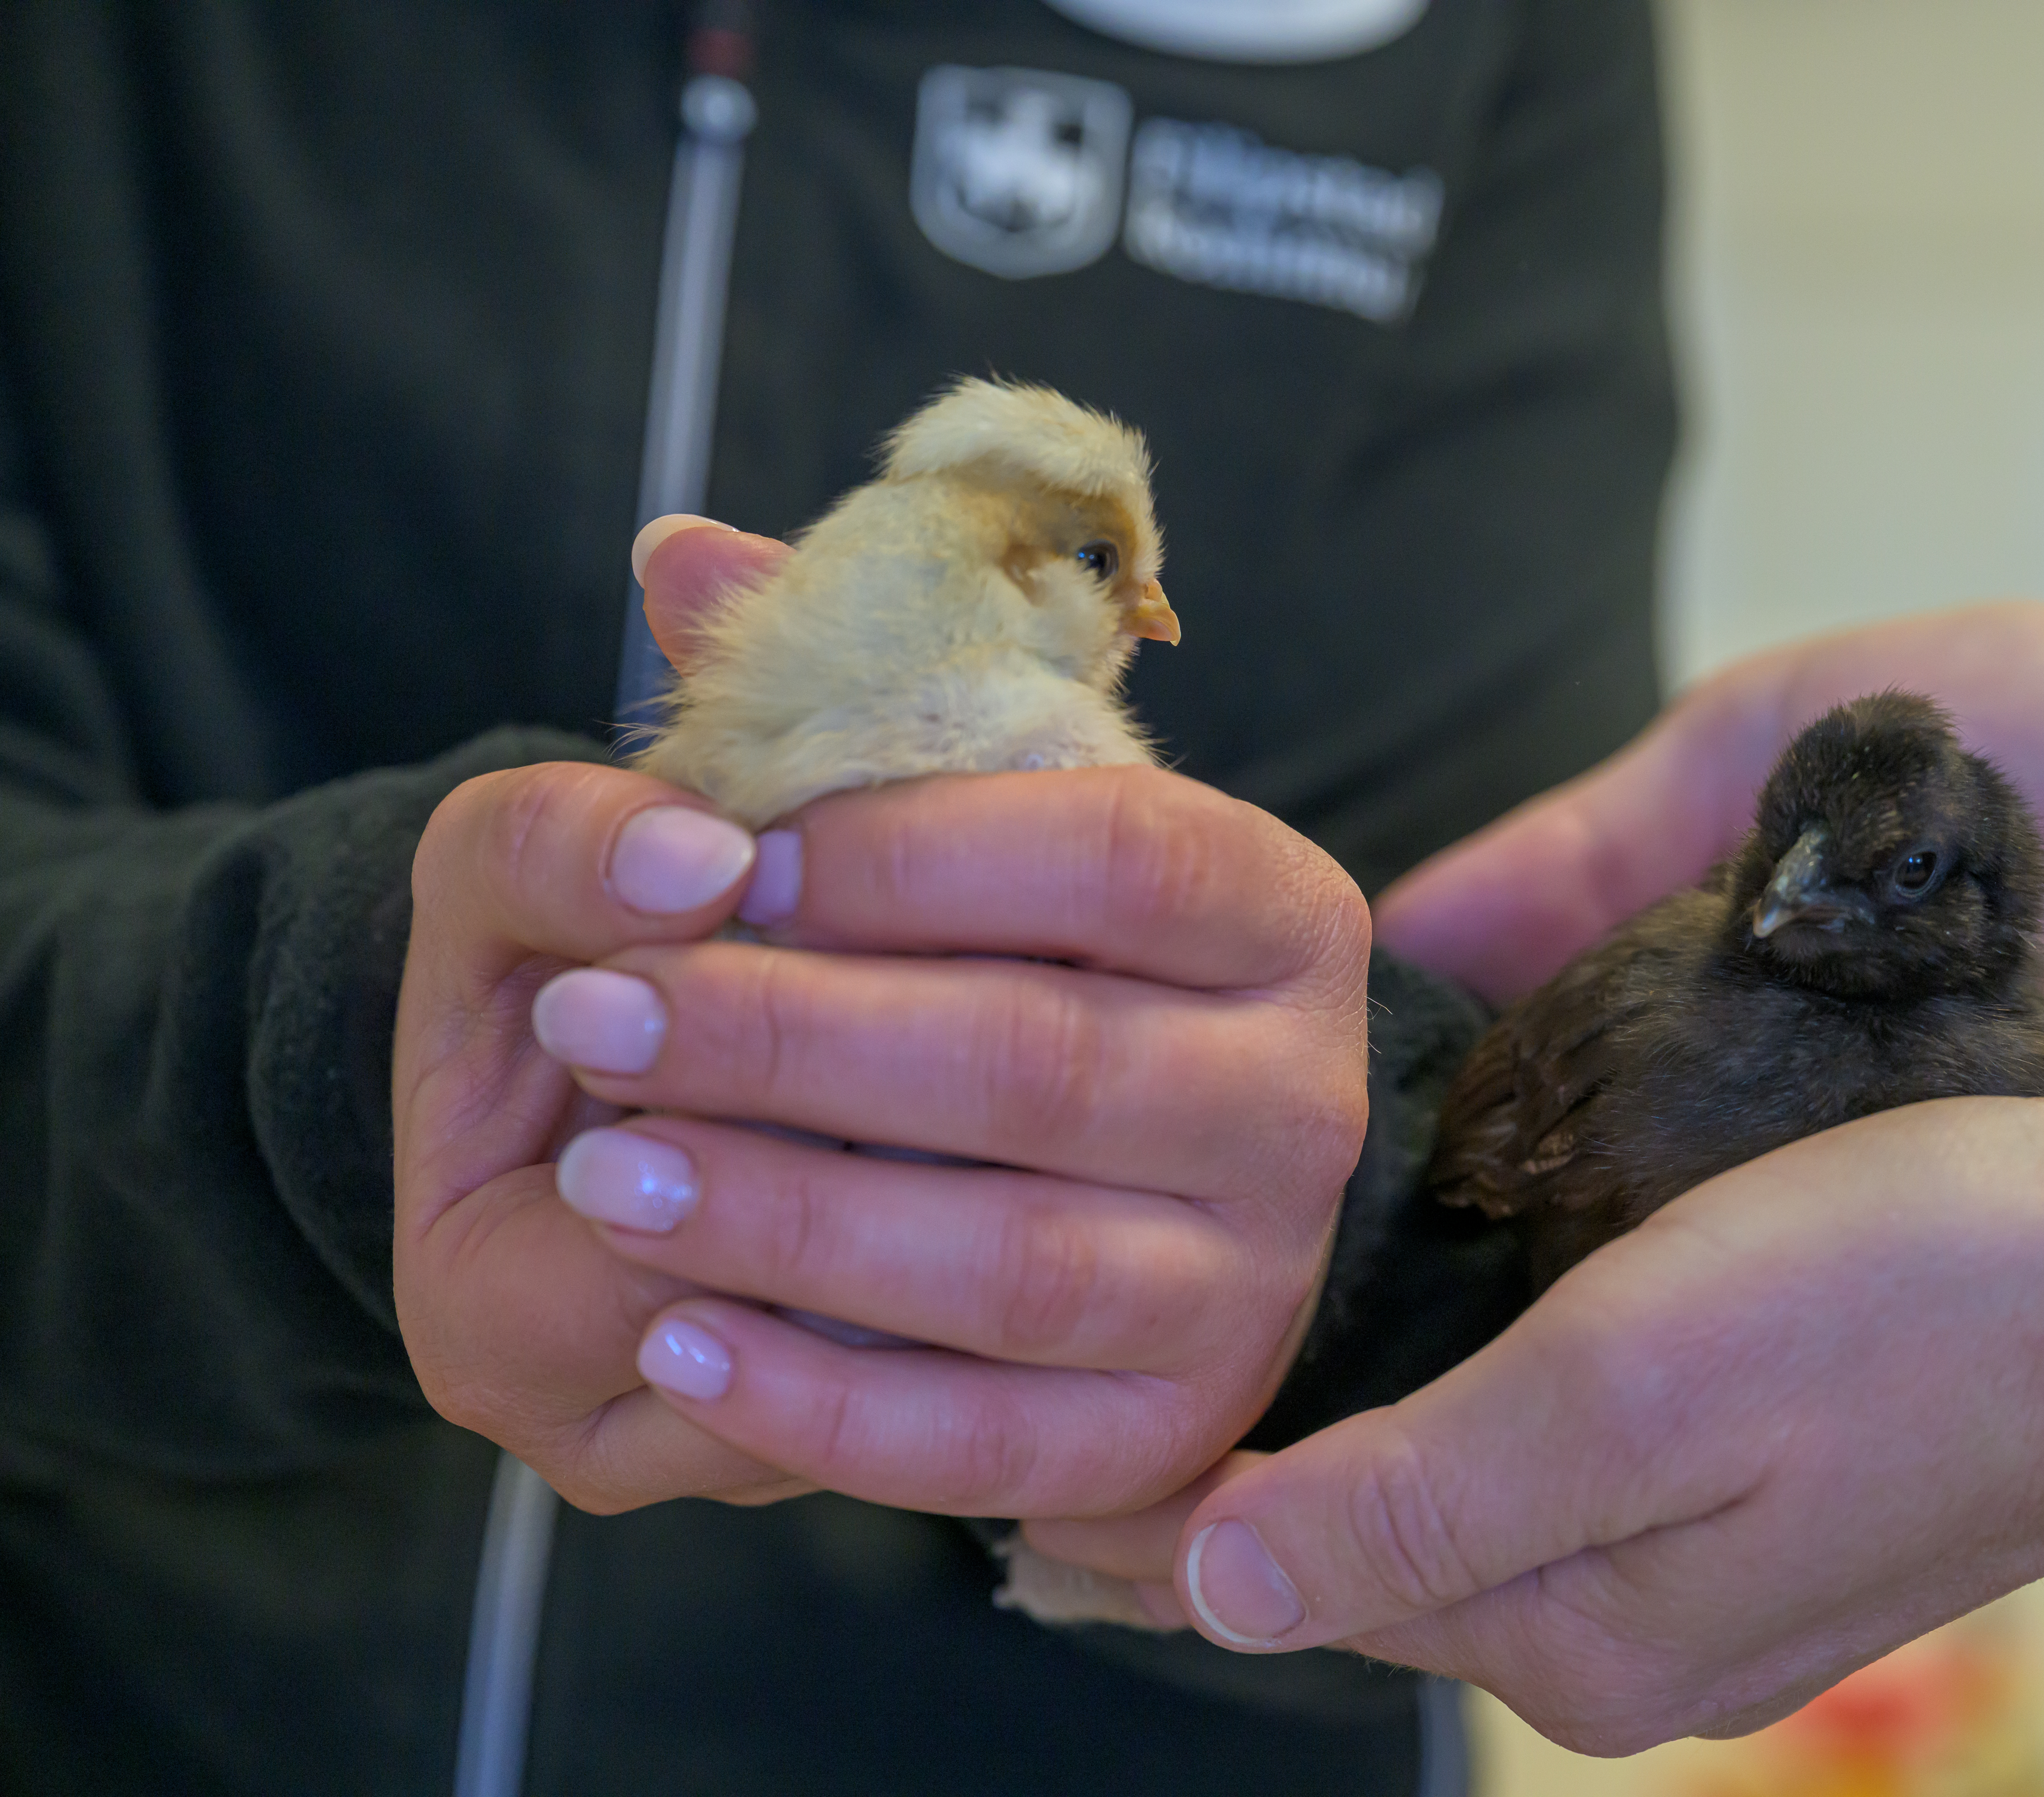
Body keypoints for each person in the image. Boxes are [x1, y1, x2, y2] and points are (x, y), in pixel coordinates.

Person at [0, 2, 1669, 1789]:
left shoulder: (1483, 40)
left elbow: (1484, 1083)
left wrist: (1265, 1289)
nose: (1146, 612)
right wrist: (338, 1043)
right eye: (1119, 574)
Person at [1029, 602, 2044, 1752]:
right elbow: (1473, 1158)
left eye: (1884, 877)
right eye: (1783, 862)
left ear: (1979, 902)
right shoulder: (1671, 1022)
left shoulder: (2029, 1097)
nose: (1783, 905)